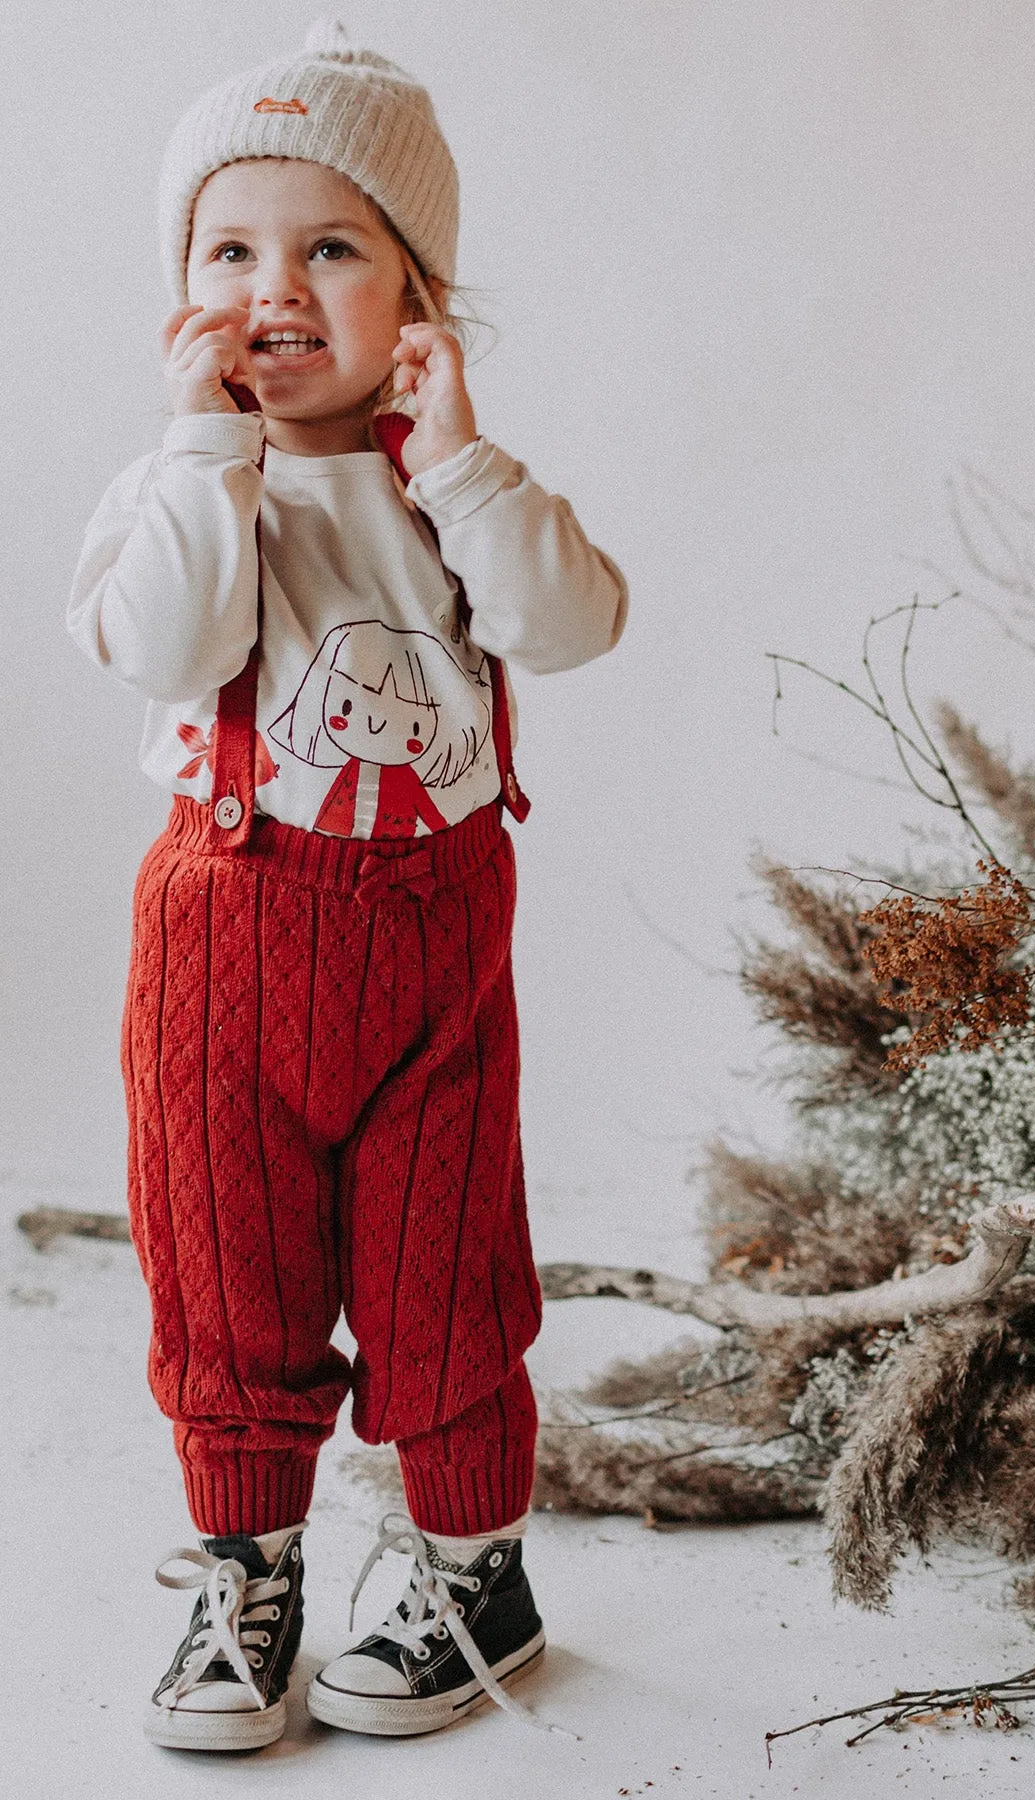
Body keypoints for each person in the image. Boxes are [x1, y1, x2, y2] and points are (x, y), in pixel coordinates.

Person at [67, 19, 627, 1752]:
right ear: (181, 294)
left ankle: (478, 1574)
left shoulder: (452, 494)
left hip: (432, 943)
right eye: (229, 251)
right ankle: (248, 1581)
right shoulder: (177, 487)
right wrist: (204, 453)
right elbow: (160, 640)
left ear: (417, 301)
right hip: (226, 935)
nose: (275, 290)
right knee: (223, 1264)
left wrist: (464, 462)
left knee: (445, 1263)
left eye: (330, 248)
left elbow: (572, 621)